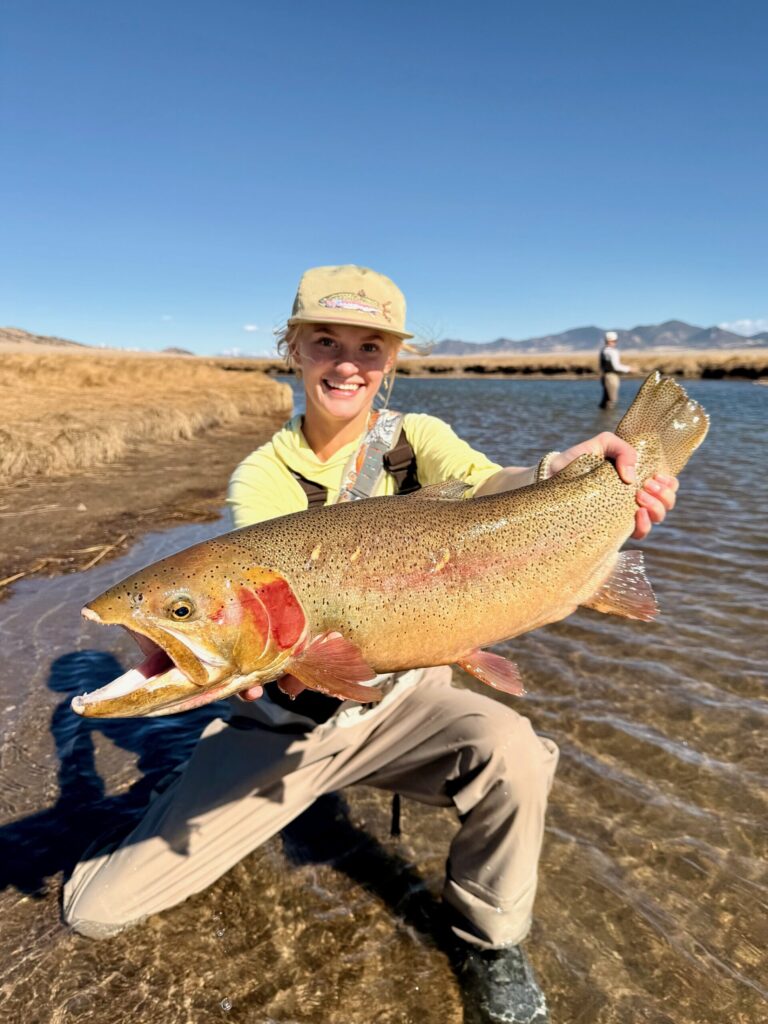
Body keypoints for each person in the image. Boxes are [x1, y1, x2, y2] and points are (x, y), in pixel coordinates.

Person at [63, 266, 678, 1024]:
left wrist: (576, 476)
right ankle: (194, 792)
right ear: (294, 349)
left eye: (369, 346)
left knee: (515, 752)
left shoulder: (418, 440)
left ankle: (491, 944)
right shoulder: (261, 477)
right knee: (93, 909)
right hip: (289, 729)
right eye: (325, 341)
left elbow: (498, 488)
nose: (347, 362)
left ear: (391, 361)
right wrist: (215, 651)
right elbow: (248, 622)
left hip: (406, 702)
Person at [598, 330, 635, 410]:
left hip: (604, 376)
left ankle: (602, 418)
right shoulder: (613, 352)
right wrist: (629, 369)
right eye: (615, 341)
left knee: (605, 399)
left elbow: (601, 366)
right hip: (612, 377)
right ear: (612, 341)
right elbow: (616, 366)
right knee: (612, 400)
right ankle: (609, 419)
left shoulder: (603, 351)